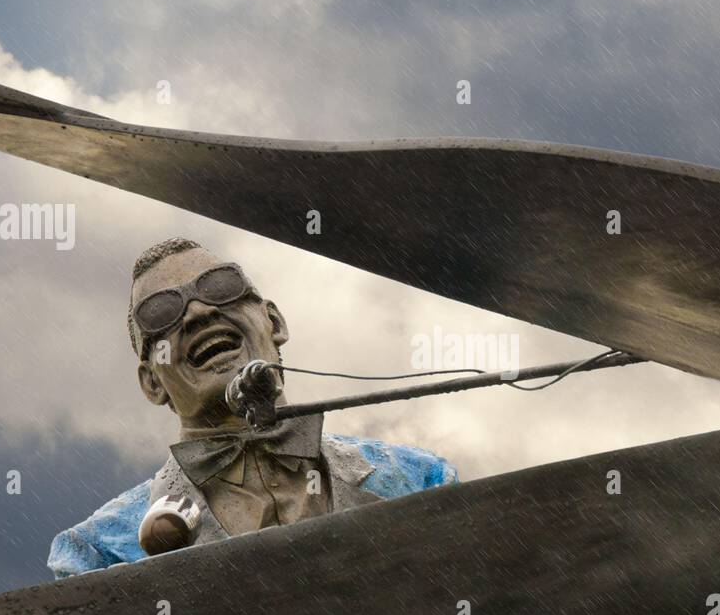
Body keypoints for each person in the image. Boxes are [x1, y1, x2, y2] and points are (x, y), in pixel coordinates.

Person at [47, 237, 458, 578]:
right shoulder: (98, 554)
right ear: (152, 383)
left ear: (274, 323)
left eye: (220, 287)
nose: (200, 312)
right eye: (162, 314)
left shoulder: (421, 481)